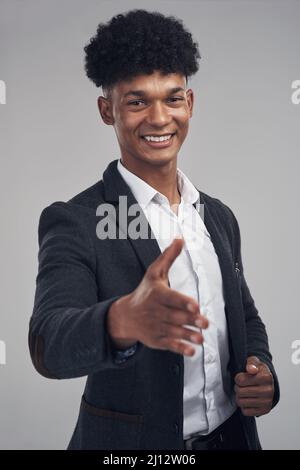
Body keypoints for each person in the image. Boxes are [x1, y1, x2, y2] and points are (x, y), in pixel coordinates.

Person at [29, 9, 279, 450]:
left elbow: (244, 316)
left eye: (173, 98)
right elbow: (49, 342)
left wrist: (262, 371)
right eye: (138, 101)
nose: (160, 118)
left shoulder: (217, 216)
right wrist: (122, 320)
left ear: (191, 103)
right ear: (108, 111)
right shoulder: (76, 220)